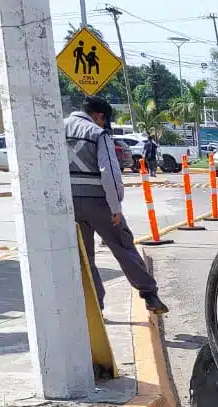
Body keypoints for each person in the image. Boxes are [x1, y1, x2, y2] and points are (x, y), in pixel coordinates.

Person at [65, 96, 166, 315]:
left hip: (68, 204)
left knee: (84, 258)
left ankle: (95, 308)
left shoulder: (56, 129)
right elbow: (109, 173)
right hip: (99, 201)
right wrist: (115, 207)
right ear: (99, 116)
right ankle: (149, 294)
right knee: (123, 246)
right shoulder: (96, 133)